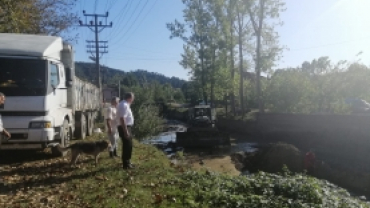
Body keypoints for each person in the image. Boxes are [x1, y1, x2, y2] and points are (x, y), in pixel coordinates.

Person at [117, 92, 135, 169]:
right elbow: (122, 118)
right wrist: (126, 131)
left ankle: (128, 162)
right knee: (127, 145)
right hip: (124, 127)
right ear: (130, 98)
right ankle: (126, 164)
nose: (133, 100)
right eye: (133, 98)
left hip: (126, 127)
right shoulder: (124, 105)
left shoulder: (125, 104)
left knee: (129, 145)